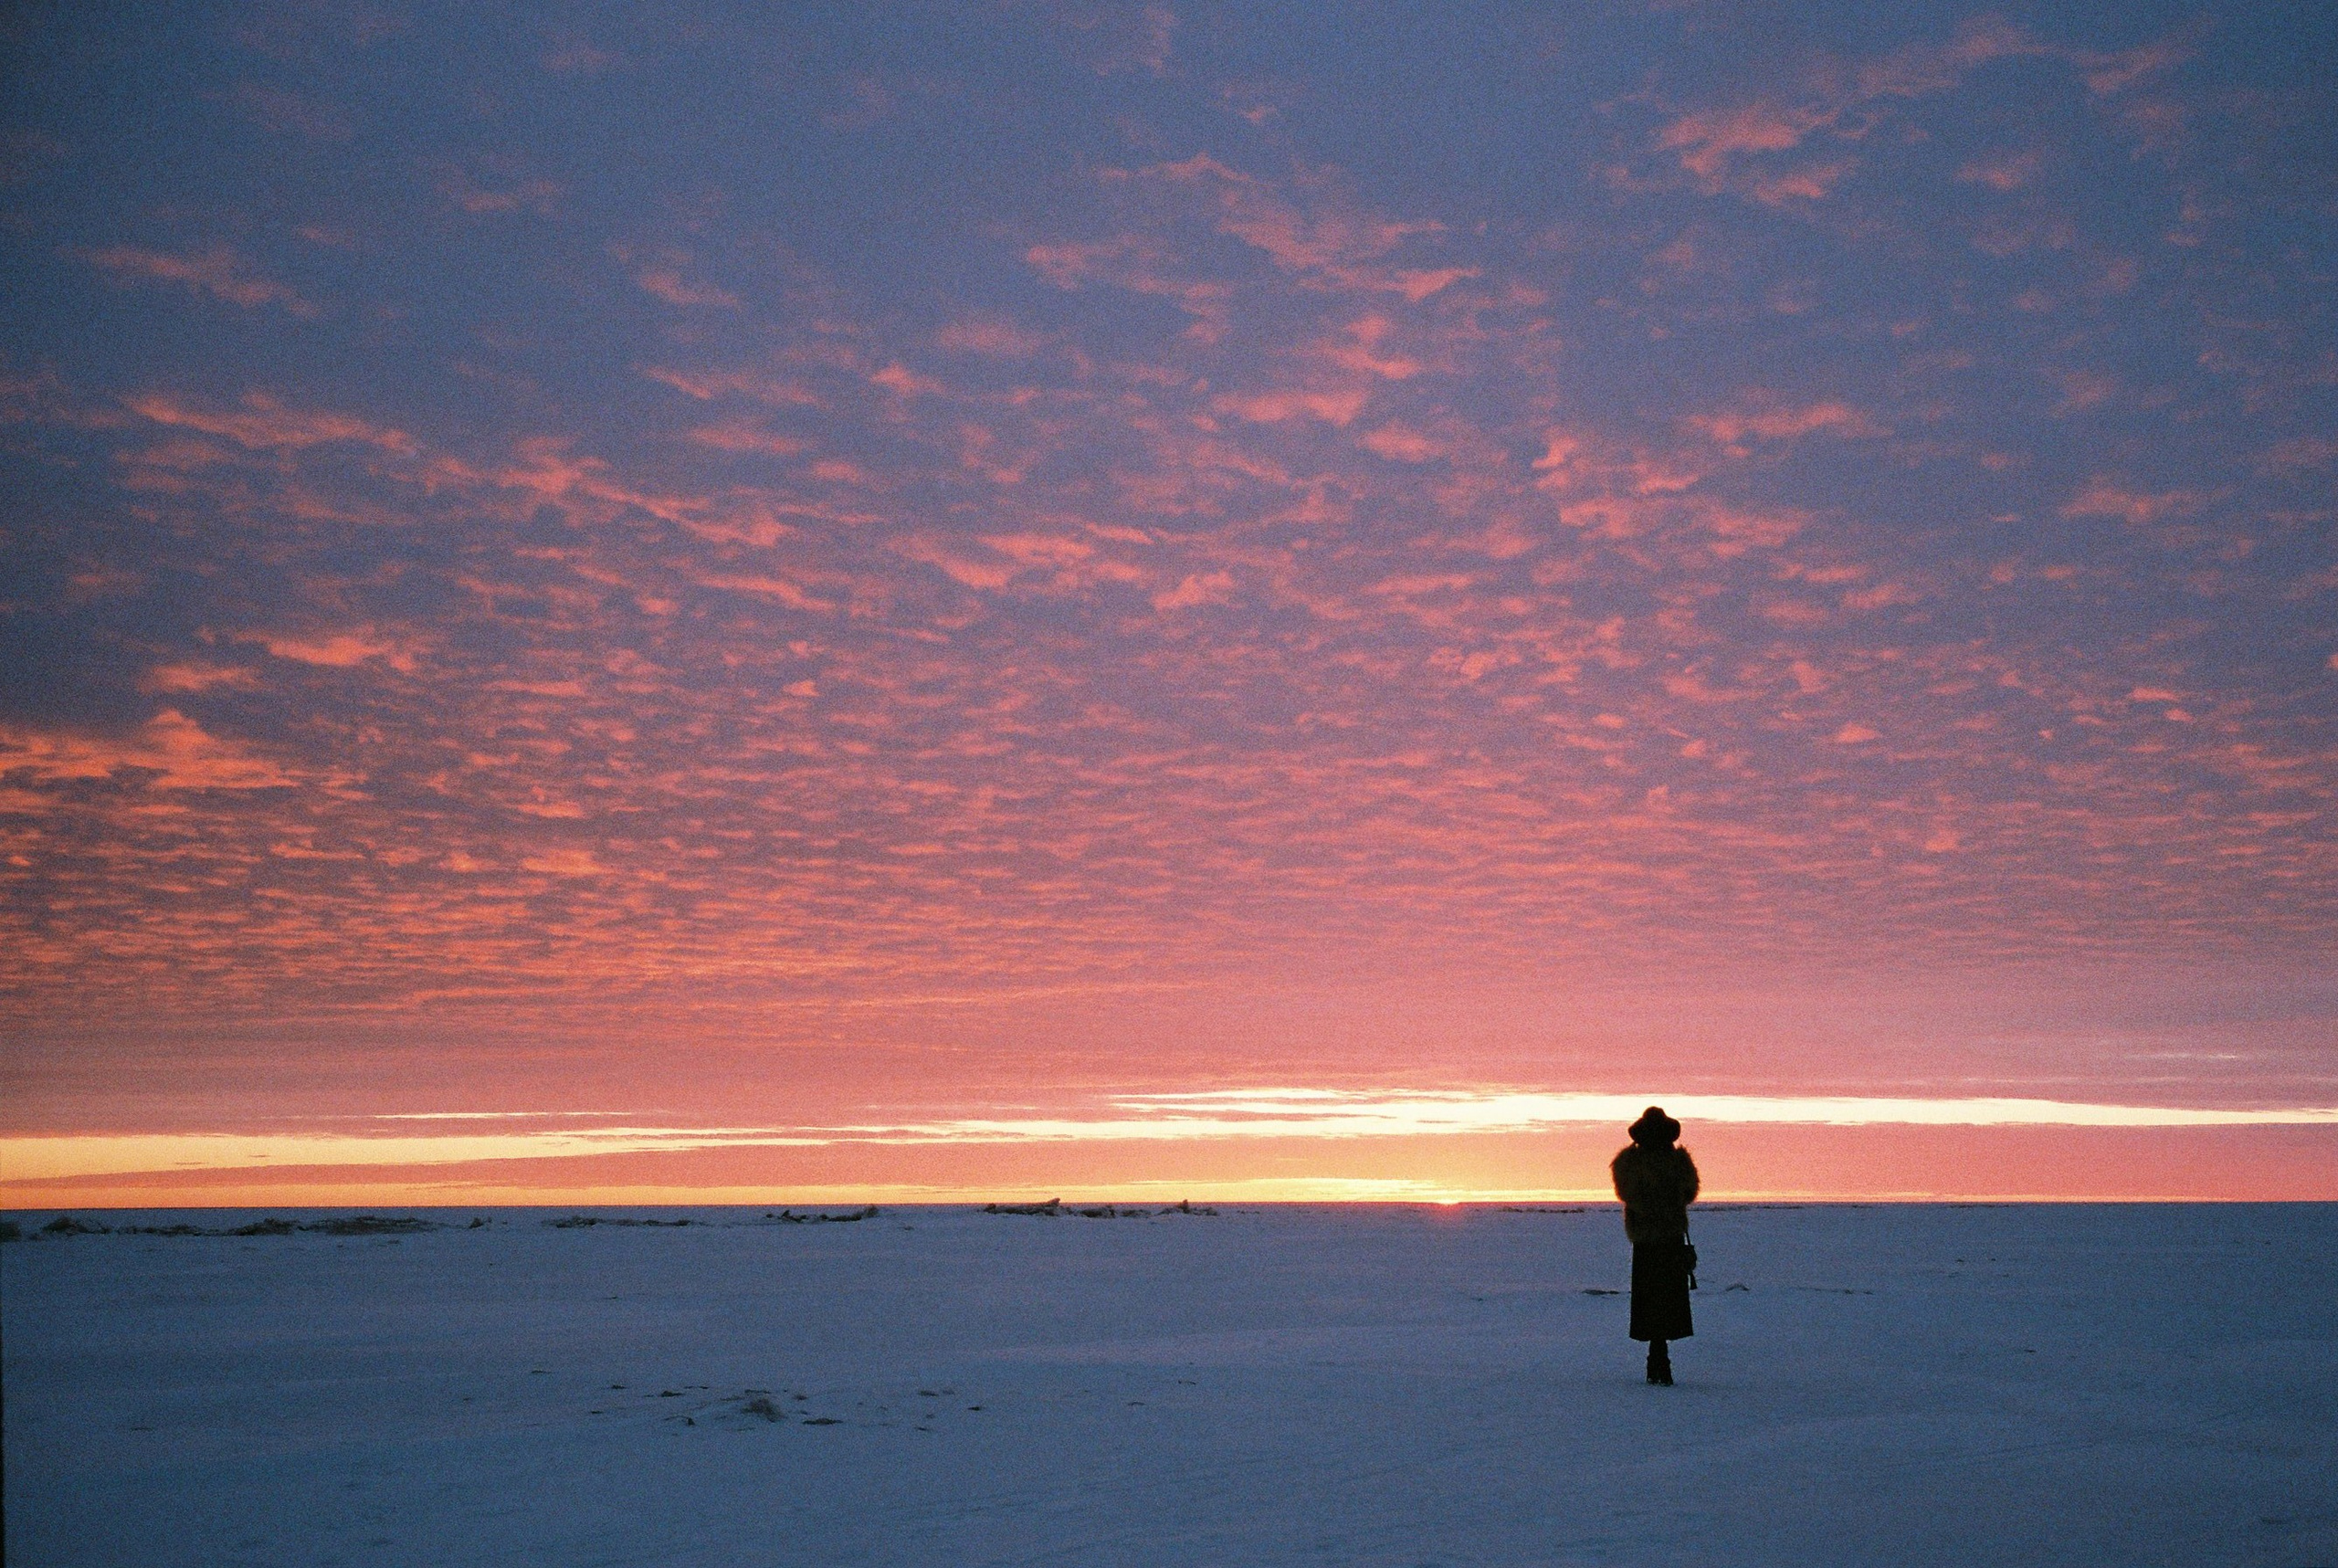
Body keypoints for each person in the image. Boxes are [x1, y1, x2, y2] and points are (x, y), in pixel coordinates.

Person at [1610, 1105, 1699, 1384]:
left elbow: (1627, 1194)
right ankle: (1660, 1359)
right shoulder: (1676, 1161)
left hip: (1647, 1240)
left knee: (1651, 1301)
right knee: (1666, 1301)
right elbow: (1688, 1192)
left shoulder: (1631, 1162)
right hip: (1667, 1237)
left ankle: (1656, 1358)